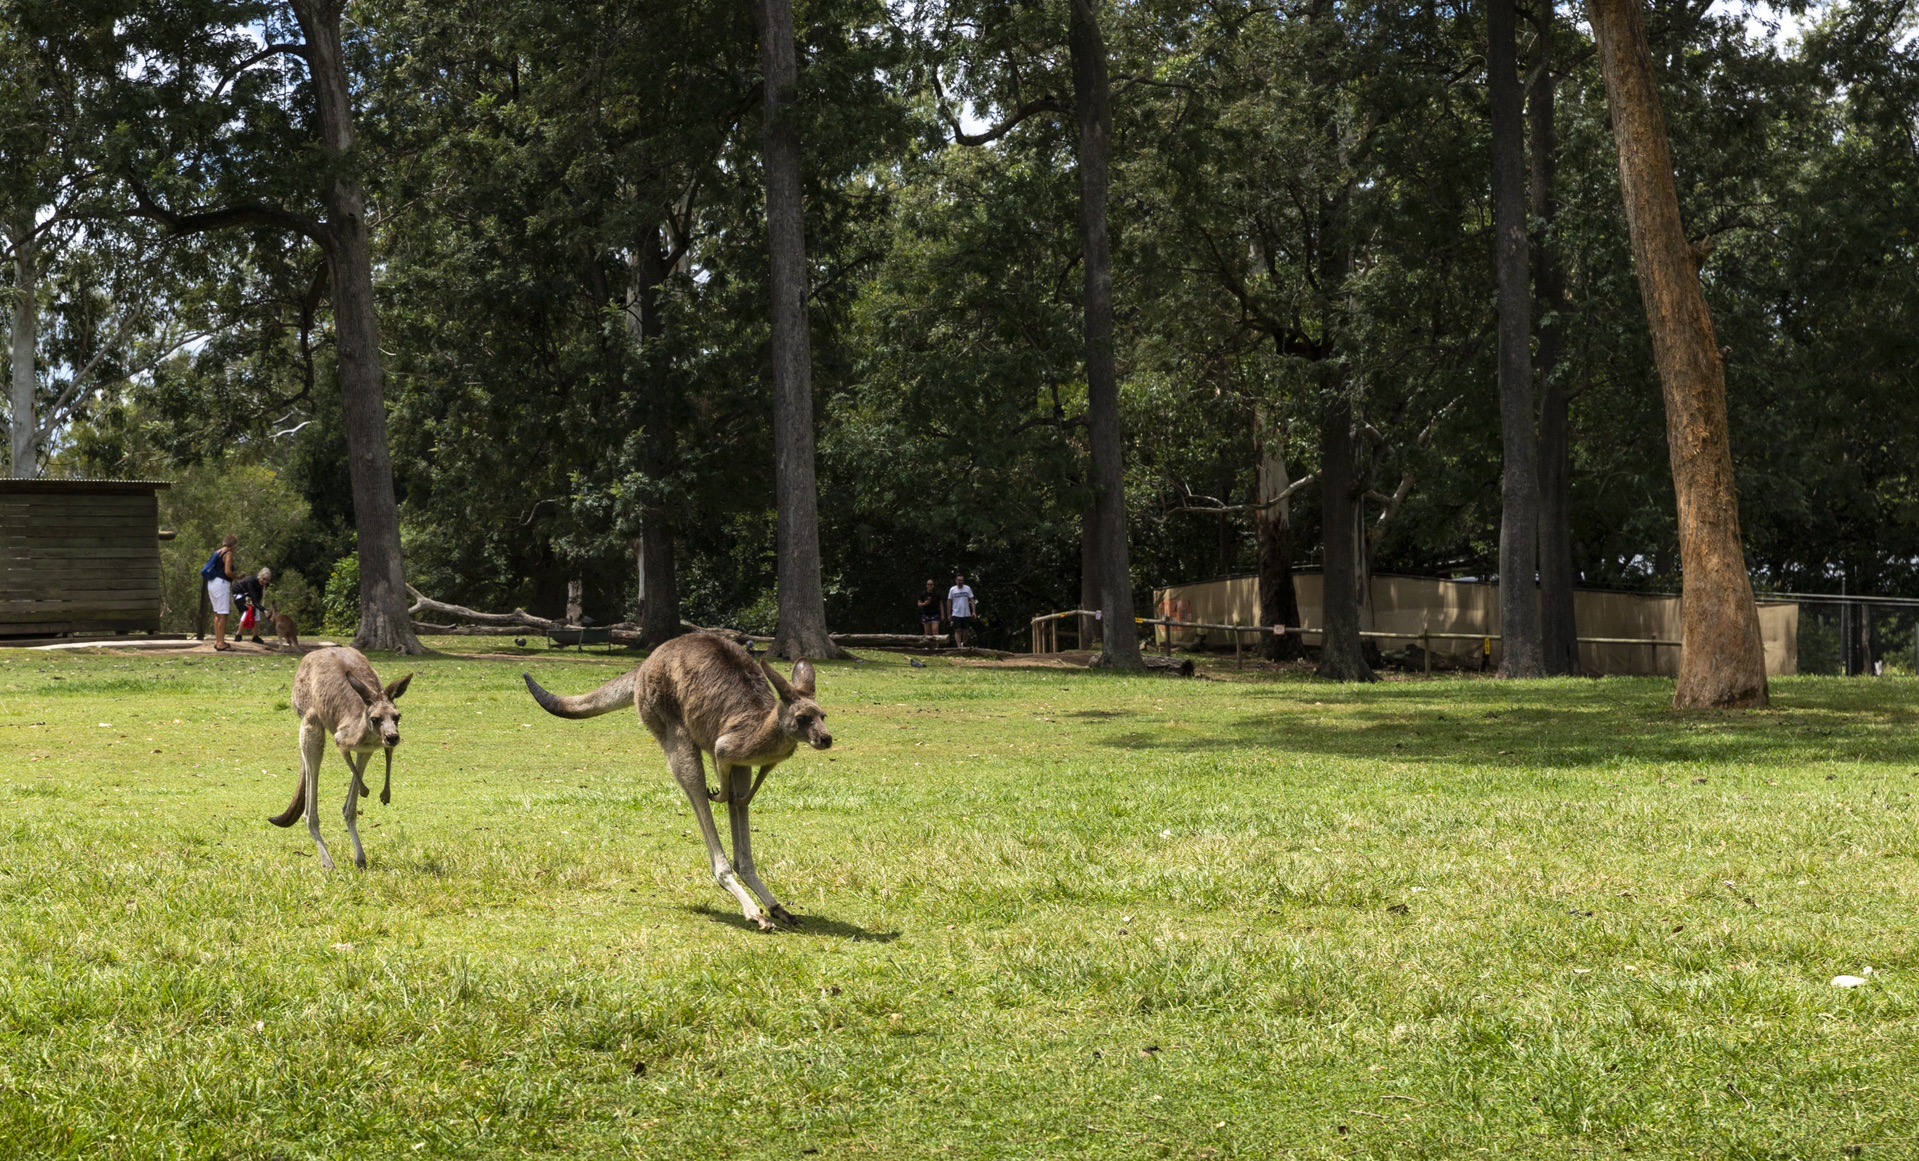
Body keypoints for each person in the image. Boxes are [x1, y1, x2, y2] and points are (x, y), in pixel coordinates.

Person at [204, 535, 239, 652]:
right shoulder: (228, 554)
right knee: (223, 614)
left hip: (212, 583)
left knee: (218, 614)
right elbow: (228, 572)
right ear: (233, 545)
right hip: (221, 584)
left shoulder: (217, 552)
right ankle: (220, 643)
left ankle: (218, 640)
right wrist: (237, 576)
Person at [232, 567, 273, 645]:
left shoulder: (262, 584)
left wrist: (260, 608)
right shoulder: (250, 582)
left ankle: (255, 636)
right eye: (264, 579)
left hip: (248, 595)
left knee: (256, 612)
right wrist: (263, 609)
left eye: (267, 580)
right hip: (238, 594)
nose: (265, 581)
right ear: (260, 576)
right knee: (248, 609)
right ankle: (239, 634)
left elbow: (257, 598)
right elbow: (254, 599)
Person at [946, 573, 979, 648]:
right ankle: (959, 647)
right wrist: (949, 614)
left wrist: (974, 612)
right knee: (958, 631)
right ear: (956, 580)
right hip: (956, 613)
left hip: (966, 613)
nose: (960, 582)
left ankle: (964, 643)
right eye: (959, 580)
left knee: (966, 631)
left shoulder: (967, 588)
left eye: (962, 580)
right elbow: (949, 601)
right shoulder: (952, 589)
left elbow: (972, 599)